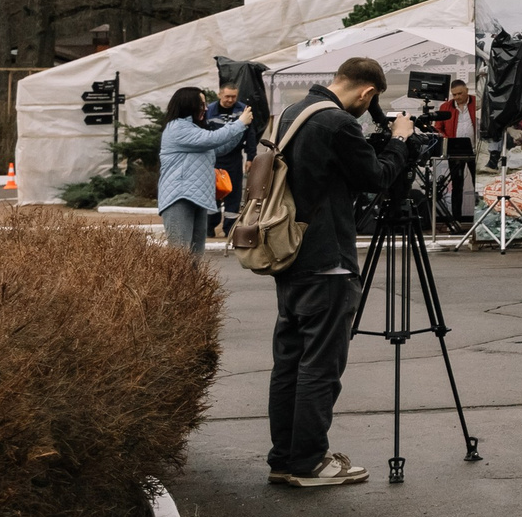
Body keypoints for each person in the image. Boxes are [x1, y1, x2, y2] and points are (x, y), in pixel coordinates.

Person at [266, 55, 417, 487]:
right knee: (321, 365)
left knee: (290, 363)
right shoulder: (337, 123)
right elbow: (376, 177)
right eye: (371, 101)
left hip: (289, 253)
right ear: (367, 93)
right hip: (327, 259)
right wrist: (400, 142)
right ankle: (311, 462)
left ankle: (285, 458)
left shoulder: (292, 114)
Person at [158, 86, 250, 255]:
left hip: (197, 197)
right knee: (180, 256)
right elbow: (213, 139)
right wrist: (239, 123)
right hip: (179, 197)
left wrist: (241, 128)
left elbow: (219, 147)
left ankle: (193, 283)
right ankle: (179, 283)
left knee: (195, 256)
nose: (206, 108)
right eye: (201, 104)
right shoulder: (177, 128)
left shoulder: (194, 129)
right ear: (188, 105)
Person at [428, 79, 482, 223]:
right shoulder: (446, 107)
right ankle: (456, 219)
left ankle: (481, 218)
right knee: (457, 185)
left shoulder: (477, 102)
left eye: (460, 94)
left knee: (479, 183)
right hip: (455, 150)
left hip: (476, 150)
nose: (457, 97)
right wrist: (447, 140)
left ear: (467, 91)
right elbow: (438, 128)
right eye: (454, 95)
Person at [203, 80, 250, 232]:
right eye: (227, 96)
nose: (230, 100)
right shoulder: (208, 110)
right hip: (213, 157)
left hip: (234, 158)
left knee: (234, 193)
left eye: (233, 97)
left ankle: (230, 228)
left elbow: (251, 134)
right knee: (212, 191)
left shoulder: (244, 111)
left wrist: (251, 156)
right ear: (219, 95)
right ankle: (209, 226)